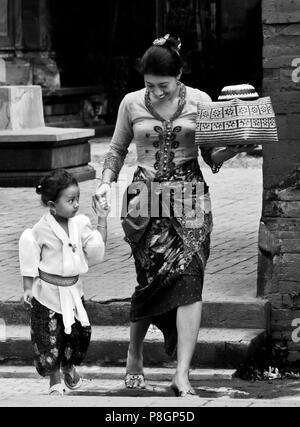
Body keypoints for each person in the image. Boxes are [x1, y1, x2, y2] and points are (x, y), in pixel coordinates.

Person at [95, 34, 251, 397]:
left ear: (179, 75)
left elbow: (211, 158)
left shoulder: (201, 101)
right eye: (150, 85)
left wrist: (235, 150)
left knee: (190, 279)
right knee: (151, 281)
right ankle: (134, 352)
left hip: (191, 199)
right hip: (145, 201)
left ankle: (182, 372)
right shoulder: (131, 103)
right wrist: (105, 183)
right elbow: (117, 150)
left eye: (163, 85)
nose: (157, 92)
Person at [19, 169, 110, 396]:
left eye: (77, 199)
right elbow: (29, 258)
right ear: (52, 205)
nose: (76, 204)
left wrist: (102, 218)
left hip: (73, 291)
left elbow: (96, 250)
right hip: (47, 292)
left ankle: (69, 369)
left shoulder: (80, 224)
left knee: (77, 334)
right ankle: (54, 378)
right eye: (70, 200)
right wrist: (28, 288)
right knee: (49, 337)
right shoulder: (40, 230)